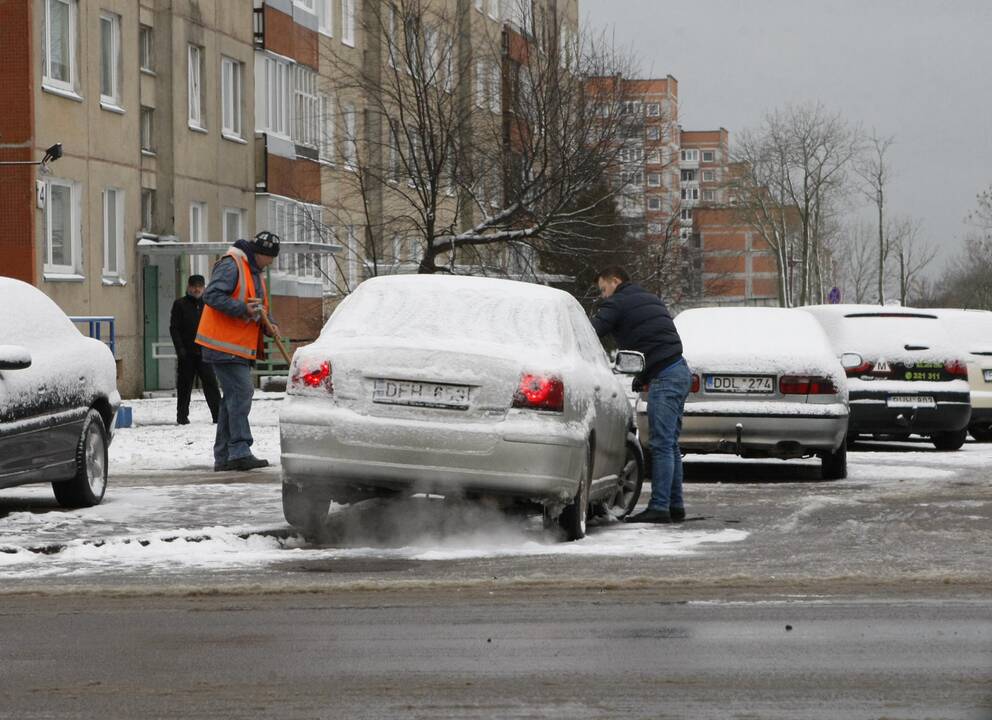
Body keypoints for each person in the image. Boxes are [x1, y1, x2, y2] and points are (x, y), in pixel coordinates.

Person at [590, 266, 691, 524]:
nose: (603, 296)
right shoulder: (649, 297)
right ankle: (674, 505)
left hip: (665, 377)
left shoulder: (618, 302)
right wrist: (642, 376)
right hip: (678, 371)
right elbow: (652, 340)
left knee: (660, 444)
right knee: (670, 443)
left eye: (603, 289)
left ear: (615, 280)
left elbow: (592, 331)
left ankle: (659, 507)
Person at [196, 232, 281, 472]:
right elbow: (211, 295)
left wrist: (269, 323)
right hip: (223, 345)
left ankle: (224, 455)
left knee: (231, 400)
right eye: (270, 258)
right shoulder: (232, 265)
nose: (271, 263)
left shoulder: (254, 272)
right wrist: (242, 309)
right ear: (260, 253)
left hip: (237, 346)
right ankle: (240, 450)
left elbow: (259, 307)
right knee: (242, 392)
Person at [169, 275, 221, 426]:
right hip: (187, 353)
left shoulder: (209, 305)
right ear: (188, 287)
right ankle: (182, 417)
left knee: (211, 384)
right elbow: (174, 328)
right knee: (184, 386)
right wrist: (180, 349)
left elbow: (215, 327)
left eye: (200, 286)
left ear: (204, 287)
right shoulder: (180, 304)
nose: (197, 289)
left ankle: (218, 416)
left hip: (205, 352)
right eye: (194, 286)